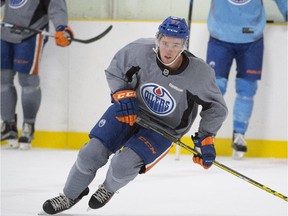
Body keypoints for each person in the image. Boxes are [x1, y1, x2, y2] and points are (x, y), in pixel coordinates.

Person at [41, 16, 228, 215]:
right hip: (130, 110)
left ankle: (108, 188)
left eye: (176, 44)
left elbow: (215, 107)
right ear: (158, 39)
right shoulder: (139, 50)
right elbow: (115, 72)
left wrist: (206, 138)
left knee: (122, 166)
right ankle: (70, 195)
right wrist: (123, 94)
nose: (169, 50)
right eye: (165, 43)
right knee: (90, 154)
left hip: (165, 128)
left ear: (184, 45)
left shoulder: (199, 73)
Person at [206, 0, 287, 160]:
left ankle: (239, 134)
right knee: (216, 88)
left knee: (247, 88)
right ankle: (206, 134)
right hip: (220, 35)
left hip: (252, 37)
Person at [0, 0, 74, 150]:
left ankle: (28, 126)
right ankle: (8, 127)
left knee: (27, 80)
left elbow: (57, 8)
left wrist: (62, 28)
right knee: (3, 78)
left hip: (31, 35)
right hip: (5, 33)